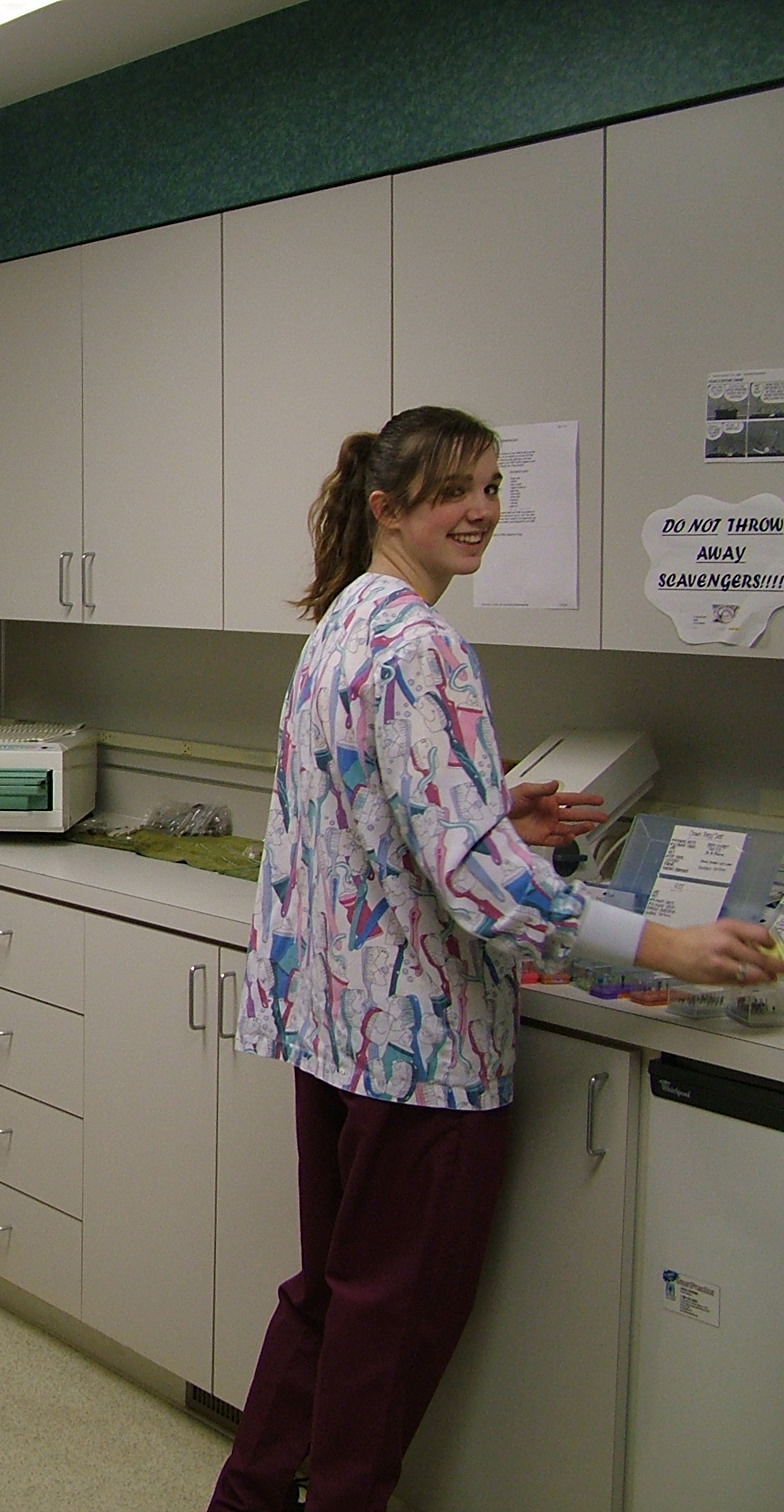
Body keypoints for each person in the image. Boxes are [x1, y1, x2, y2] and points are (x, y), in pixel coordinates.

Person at [208, 407, 779, 1512]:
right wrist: (668, 944)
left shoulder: (343, 625)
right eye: (450, 493)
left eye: (491, 487)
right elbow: (484, 890)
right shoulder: (424, 647)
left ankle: (250, 1496)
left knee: (330, 1297)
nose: (479, 511)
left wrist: (488, 806)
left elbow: (358, 818)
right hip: (421, 1053)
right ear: (388, 508)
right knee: (389, 1323)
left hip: (334, 1032)